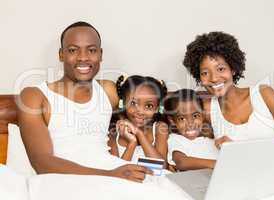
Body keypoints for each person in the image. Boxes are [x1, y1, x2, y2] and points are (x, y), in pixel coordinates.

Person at [17, 21, 152, 183]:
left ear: (100, 54)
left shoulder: (108, 91)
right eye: (73, 50)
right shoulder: (34, 96)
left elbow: (148, 110)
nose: (83, 57)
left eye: (92, 50)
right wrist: (110, 176)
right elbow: (42, 162)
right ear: (61, 54)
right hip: (63, 181)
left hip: (114, 171)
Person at [182, 31, 274, 148]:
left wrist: (236, 148)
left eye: (221, 69)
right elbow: (185, 139)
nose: (214, 78)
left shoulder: (263, 94)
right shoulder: (207, 110)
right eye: (205, 73)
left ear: (233, 69)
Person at [107, 75, 169, 164]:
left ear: (157, 108)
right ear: (123, 102)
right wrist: (132, 143)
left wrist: (139, 134)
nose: (140, 112)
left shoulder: (159, 128)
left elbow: (161, 167)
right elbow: (117, 169)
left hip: (154, 178)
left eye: (149, 106)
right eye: (133, 103)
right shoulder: (114, 132)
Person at [164, 89, 218, 171]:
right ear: (172, 121)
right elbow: (182, 162)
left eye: (195, 116)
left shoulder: (213, 137)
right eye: (182, 118)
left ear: (203, 115)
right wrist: (218, 164)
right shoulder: (175, 139)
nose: (190, 123)